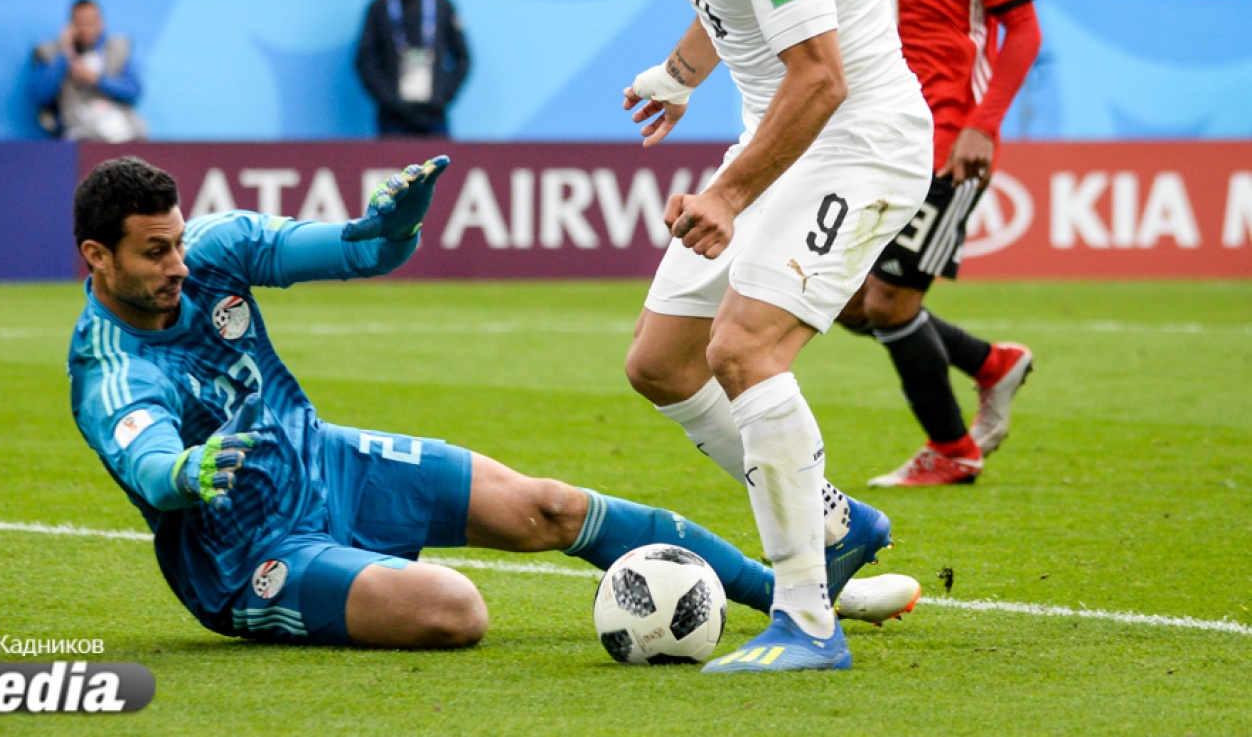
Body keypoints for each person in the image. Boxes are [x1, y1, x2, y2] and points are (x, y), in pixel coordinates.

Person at [66, 155, 919, 650]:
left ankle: (799, 595)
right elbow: (150, 459)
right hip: (249, 555)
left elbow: (359, 249)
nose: (178, 265)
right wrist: (186, 469)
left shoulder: (215, 250)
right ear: (97, 256)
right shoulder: (109, 366)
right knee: (455, 609)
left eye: (176, 241)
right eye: (154, 253)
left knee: (553, 506)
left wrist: (394, 224)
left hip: (327, 461)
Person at [526, 0, 932, 673]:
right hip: (786, 135)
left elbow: (821, 76)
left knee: (744, 350)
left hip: (858, 141)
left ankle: (808, 623)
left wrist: (728, 195)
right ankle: (834, 522)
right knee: (661, 362)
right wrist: (679, 74)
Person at [843, 0, 1040, 487]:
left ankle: (951, 448)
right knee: (845, 300)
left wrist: (982, 127)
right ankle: (991, 363)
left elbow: (1022, 28)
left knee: (889, 301)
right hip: (871, 141)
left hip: (947, 144)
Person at [355, 0, 470, 137]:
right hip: (392, 116)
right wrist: (389, 99)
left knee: (438, 158)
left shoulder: (442, 5)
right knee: (393, 158)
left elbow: (462, 57)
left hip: (434, 113)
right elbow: (365, 60)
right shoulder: (380, 6)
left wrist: (443, 95)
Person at [30, 0, 148, 141]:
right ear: (70, 26)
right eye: (80, 24)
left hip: (121, 128)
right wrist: (65, 55)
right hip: (78, 129)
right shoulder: (51, 52)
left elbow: (134, 90)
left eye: (90, 23)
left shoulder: (118, 48)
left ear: (101, 23)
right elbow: (40, 95)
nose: (85, 30)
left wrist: (96, 79)